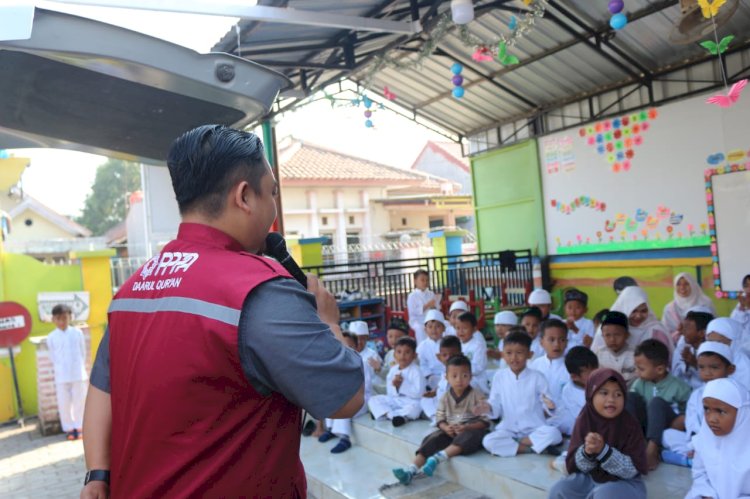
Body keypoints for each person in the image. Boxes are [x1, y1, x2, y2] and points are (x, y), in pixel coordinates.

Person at [80, 125, 364, 499]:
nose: (273, 209)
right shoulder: (260, 290)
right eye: (272, 192)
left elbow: (102, 389)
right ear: (245, 196)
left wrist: (97, 475)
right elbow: (346, 397)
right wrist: (328, 321)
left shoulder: (133, 290)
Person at [548, 369, 648, 499]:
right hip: (591, 479)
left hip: (624, 483)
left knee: (603, 495)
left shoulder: (629, 424)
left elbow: (631, 471)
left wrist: (603, 451)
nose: (611, 399)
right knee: (560, 489)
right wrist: (587, 452)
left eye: (618, 394)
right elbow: (577, 466)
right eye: (604, 393)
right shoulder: (585, 419)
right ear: (591, 395)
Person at [392, 355, 490, 485]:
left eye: (464, 376)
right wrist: (445, 428)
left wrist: (467, 427)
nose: (459, 380)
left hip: (470, 431)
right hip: (450, 432)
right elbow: (440, 417)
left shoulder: (477, 395)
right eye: (454, 376)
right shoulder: (445, 396)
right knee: (432, 438)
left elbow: (486, 421)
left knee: (470, 436)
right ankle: (411, 470)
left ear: (471, 376)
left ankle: (437, 459)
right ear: (446, 377)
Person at [482, 332, 562, 457]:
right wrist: (488, 407)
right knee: (488, 441)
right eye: (509, 353)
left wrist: (549, 405)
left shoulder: (537, 377)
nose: (514, 358)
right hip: (508, 429)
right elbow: (495, 404)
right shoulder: (499, 376)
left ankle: (517, 444)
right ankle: (530, 448)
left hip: (534, 428)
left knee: (554, 434)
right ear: (503, 354)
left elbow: (547, 401)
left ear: (529, 355)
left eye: (519, 353)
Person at [662, 342, 734, 464]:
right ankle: (696, 457)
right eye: (702, 367)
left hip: (727, 441)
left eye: (714, 367)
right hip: (700, 442)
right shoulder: (697, 394)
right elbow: (692, 425)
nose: (707, 372)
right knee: (667, 435)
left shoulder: (735, 393)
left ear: (730, 369)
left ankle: (691, 460)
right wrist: (696, 446)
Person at [628, 339, 692, 470]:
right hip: (645, 427)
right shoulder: (639, 383)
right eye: (636, 368)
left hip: (667, 427)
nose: (636, 372)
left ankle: (652, 449)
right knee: (629, 397)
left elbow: (690, 415)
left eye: (641, 369)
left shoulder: (680, 387)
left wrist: (681, 419)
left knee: (656, 402)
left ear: (660, 369)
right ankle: (633, 444)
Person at [686, 378, 750, 499]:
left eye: (720, 411)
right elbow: (699, 474)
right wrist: (707, 494)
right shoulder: (704, 440)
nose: (711, 419)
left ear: (741, 413)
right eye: (707, 409)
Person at [319, 332, 374, 453]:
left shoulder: (361, 362)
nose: (345, 349)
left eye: (349, 346)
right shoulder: (337, 364)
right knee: (331, 398)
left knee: (344, 404)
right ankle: (330, 429)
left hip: (362, 398)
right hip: (345, 395)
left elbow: (366, 386)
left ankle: (345, 438)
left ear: (356, 347)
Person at [591, 286, 673, 356]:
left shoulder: (656, 330)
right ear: (624, 308)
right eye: (633, 311)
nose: (638, 316)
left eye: (643, 311)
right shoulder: (607, 329)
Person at [46, 304, 87, 441]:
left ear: (70, 317)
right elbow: (52, 356)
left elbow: (83, 352)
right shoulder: (51, 337)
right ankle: (69, 428)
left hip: (77, 373)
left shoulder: (77, 333)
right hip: (61, 375)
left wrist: (79, 366)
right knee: (64, 403)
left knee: (79, 401)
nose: (62, 321)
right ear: (53, 320)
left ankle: (80, 427)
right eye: (58, 318)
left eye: (64, 318)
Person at [368, 336, 424, 426]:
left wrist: (401, 386)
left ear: (414, 355)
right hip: (396, 400)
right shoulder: (393, 370)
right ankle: (394, 416)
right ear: (394, 355)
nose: (402, 356)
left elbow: (419, 393)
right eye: (399, 352)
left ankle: (387, 414)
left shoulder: (417, 371)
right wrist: (395, 387)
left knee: (416, 409)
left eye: (407, 352)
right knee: (373, 399)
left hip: (410, 402)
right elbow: (390, 394)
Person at [549, 347, 599, 437]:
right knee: (566, 422)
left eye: (596, 370)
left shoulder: (601, 383)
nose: (596, 375)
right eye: (591, 373)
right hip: (578, 421)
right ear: (575, 376)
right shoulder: (568, 391)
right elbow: (581, 416)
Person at [661, 273, 715, 343]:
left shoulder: (705, 303)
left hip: (703, 343)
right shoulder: (670, 308)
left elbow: (713, 326)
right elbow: (665, 333)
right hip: (676, 346)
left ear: (693, 285)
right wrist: (678, 332)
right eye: (678, 284)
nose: (682, 287)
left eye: (686, 284)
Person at [421, 335, 463, 423]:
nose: (448, 358)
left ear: (460, 355)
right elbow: (442, 386)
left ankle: (441, 420)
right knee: (425, 401)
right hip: (443, 405)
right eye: (444, 355)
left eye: (453, 355)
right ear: (439, 357)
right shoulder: (445, 370)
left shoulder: (463, 371)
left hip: (456, 406)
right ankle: (436, 419)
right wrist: (434, 392)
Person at [530, 319, 571, 406]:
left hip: (564, 416)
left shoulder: (571, 367)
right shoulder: (535, 365)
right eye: (551, 340)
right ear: (541, 342)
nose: (556, 344)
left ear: (567, 343)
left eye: (562, 340)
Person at [671, 308, 713, 390]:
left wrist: (695, 364)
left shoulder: (712, 353)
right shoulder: (685, 349)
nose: (682, 332)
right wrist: (686, 365)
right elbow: (677, 377)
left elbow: (712, 380)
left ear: (702, 333)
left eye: (687, 328)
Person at [706, 317, 750, 391]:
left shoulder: (744, 366)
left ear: (734, 342)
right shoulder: (711, 360)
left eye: (719, 343)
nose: (714, 347)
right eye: (711, 342)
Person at [594, 311, 636, 386]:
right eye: (607, 335)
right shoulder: (599, 354)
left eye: (617, 335)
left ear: (627, 335)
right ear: (602, 336)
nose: (612, 339)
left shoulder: (635, 354)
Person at [372, 318, 409, 394]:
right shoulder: (389, 354)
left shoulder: (410, 355)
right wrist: (379, 369)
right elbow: (387, 375)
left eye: (398, 337)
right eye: (390, 336)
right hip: (390, 386)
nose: (394, 340)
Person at [455, 311, 489, 394]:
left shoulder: (478, 346)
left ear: (474, 329)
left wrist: (462, 367)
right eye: (458, 328)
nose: (461, 331)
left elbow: (479, 367)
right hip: (459, 376)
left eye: (464, 328)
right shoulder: (456, 344)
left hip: (475, 380)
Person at [417, 309, 447, 390]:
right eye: (430, 327)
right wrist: (429, 375)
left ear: (444, 328)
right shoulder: (422, 346)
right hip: (430, 376)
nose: (434, 330)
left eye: (437, 326)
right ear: (425, 329)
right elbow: (421, 363)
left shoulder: (448, 343)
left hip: (447, 374)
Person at [407, 269, 437, 344]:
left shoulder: (431, 293)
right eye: (422, 280)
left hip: (431, 318)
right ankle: (422, 348)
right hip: (417, 320)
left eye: (427, 280)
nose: (425, 282)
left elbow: (436, 308)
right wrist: (427, 306)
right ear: (415, 281)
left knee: (444, 324)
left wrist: (434, 307)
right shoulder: (412, 296)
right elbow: (413, 311)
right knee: (420, 329)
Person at [730, 274, 750, 356]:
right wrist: (742, 308)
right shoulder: (740, 305)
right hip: (741, 350)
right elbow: (733, 326)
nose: (748, 289)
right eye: (746, 286)